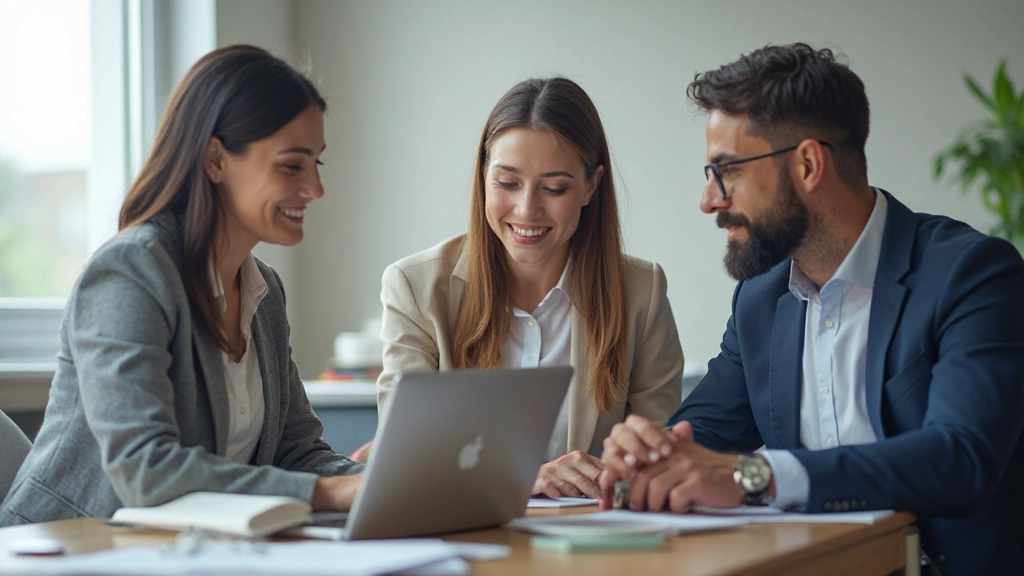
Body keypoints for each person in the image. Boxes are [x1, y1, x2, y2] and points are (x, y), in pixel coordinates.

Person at [598, 44, 1024, 575]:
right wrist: (645, 455)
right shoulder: (761, 298)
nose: (709, 199)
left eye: (726, 170)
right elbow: (701, 435)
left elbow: (960, 458)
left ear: (807, 163)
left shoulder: (972, 273)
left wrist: (753, 476)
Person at [0, 45, 364, 525]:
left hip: (186, 550)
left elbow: (296, 453)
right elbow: (145, 469)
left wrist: (381, 479)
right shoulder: (130, 273)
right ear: (216, 159)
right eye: (292, 165)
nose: (315, 189)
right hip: (68, 548)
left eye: (316, 164)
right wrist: (328, 492)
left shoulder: (264, 292)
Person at [375, 77, 684, 500]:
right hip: (468, 541)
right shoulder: (415, 288)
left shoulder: (641, 292)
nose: (526, 210)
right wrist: (520, 476)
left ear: (592, 185)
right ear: (483, 175)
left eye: (555, 188)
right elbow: (408, 454)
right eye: (506, 183)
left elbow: (657, 454)